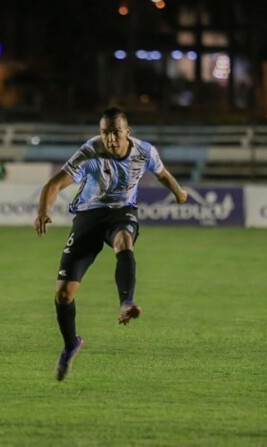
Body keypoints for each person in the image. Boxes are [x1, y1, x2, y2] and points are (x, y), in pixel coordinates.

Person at [34, 107, 187, 382]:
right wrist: (43, 211)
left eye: (116, 132)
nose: (110, 139)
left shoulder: (144, 152)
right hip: (89, 216)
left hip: (122, 211)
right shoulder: (90, 152)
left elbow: (162, 173)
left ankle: (126, 302)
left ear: (127, 131)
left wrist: (178, 191)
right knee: (63, 294)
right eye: (105, 132)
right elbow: (55, 184)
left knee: (124, 241)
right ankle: (71, 345)